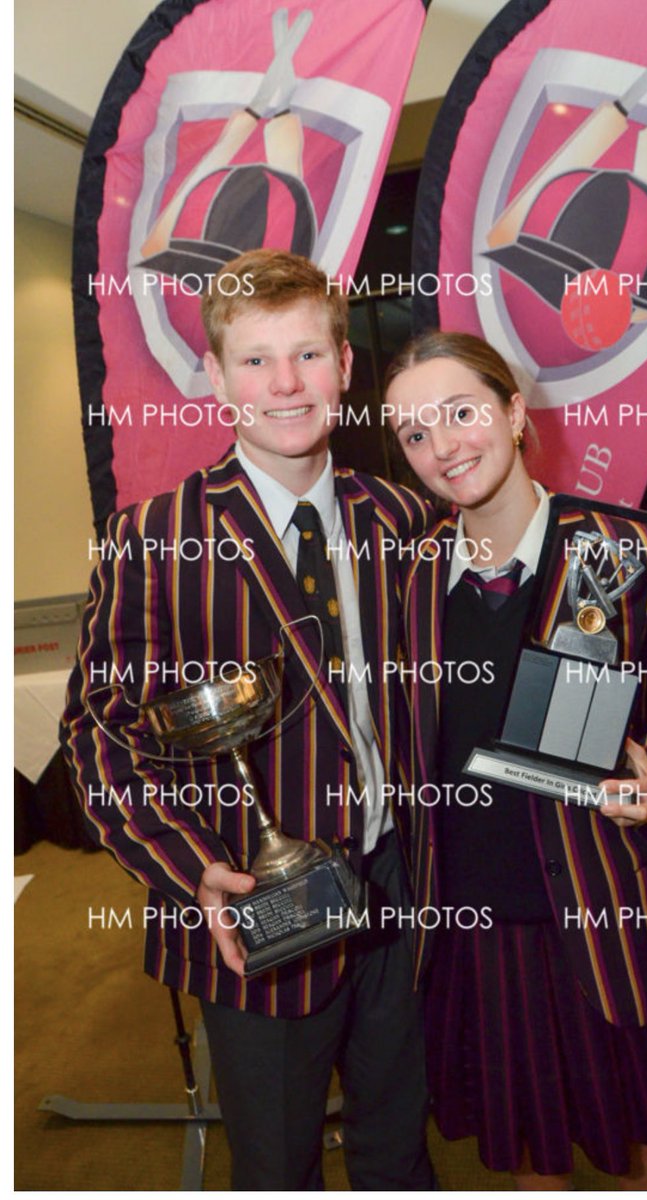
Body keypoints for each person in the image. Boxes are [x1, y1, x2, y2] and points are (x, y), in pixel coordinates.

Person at [60, 249, 436, 1191]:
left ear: (343, 367)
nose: (286, 384)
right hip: (254, 900)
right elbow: (100, 735)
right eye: (257, 360)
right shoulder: (154, 538)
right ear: (218, 377)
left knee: (401, 1147)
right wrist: (193, 869)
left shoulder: (402, 517)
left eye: (307, 355)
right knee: (276, 1162)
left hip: (399, 875)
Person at [384, 331, 647, 1191]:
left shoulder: (618, 554)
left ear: (512, 411)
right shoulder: (407, 580)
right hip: (477, 914)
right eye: (415, 433)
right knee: (530, 1135)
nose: (443, 446)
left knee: (645, 1120)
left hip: (604, 898)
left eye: (461, 412)